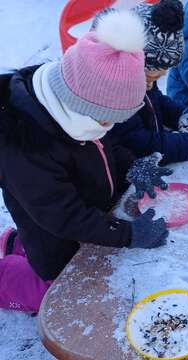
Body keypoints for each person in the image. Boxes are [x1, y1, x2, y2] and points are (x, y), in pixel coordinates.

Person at [0, 11, 170, 313]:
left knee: (49, 236)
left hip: (79, 214)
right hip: (55, 233)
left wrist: (132, 166)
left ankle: (16, 243)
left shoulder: (75, 108)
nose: (108, 128)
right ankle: (6, 278)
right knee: (54, 292)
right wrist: (128, 234)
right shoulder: (26, 148)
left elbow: (108, 146)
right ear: (80, 107)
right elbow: (63, 216)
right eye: (106, 120)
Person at [95, 1, 188, 165]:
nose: (164, 73)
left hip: (154, 149)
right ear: (134, 62)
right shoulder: (115, 96)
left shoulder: (143, 80)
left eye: (166, 67)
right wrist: (187, 145)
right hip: (132, 169)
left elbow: (156, 101)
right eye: (158, 67)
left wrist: (181, 113)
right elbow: (137, 141)